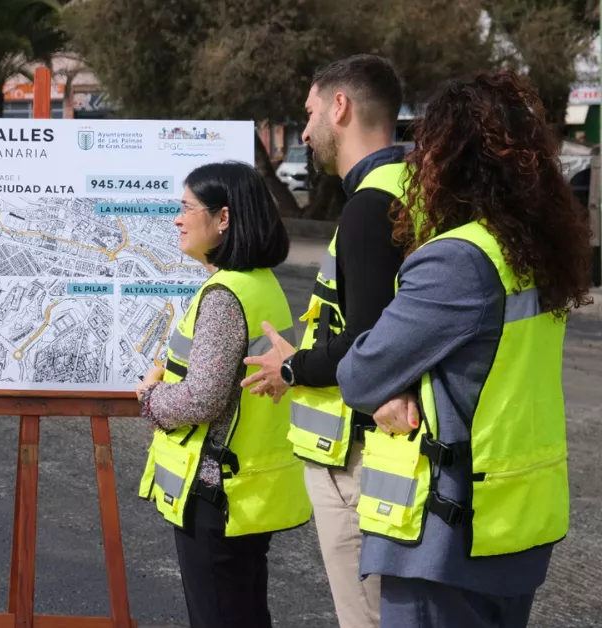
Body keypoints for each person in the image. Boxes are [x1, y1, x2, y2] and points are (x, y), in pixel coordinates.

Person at [336, 70, 590, 627]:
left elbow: (359, 373)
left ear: (447, 159)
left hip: (448, 541)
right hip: (515, 520)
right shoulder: (533, 253)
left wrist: (393, 384)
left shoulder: (458, 259)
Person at [241, 53, 409, 628]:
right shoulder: (413, 187)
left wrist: (292, 367)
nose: (306, 132)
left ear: (341, 107)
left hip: (358, 463)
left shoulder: (369, 207)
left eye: (309, 114)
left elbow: (372, 343)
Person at [136, 161, 311, 628]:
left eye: (186, 207)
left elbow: (203, 398)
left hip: (216, 492)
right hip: (246, 488)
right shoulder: (259, 284)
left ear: (223, 218)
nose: (177, 218)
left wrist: (149, 399)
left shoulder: (224, 295)